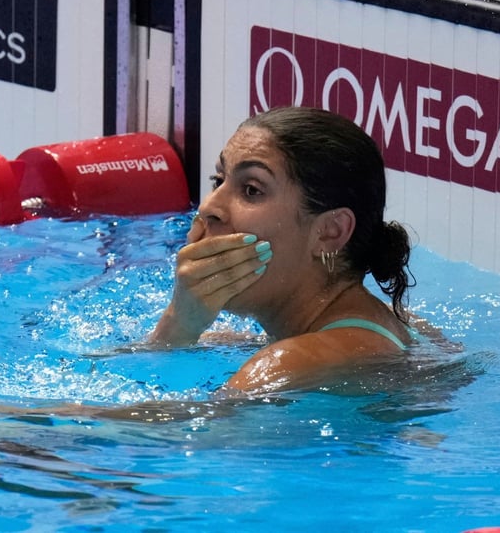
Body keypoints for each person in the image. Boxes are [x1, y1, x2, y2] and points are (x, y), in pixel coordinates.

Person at [149, 106, 414, 395]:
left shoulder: (288, 364)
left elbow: (176, 435)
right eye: (219, 180)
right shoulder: (392, 324)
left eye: (251, 190)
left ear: (330, 232)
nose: (208, 207)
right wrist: (182, 322)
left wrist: (176, 323)